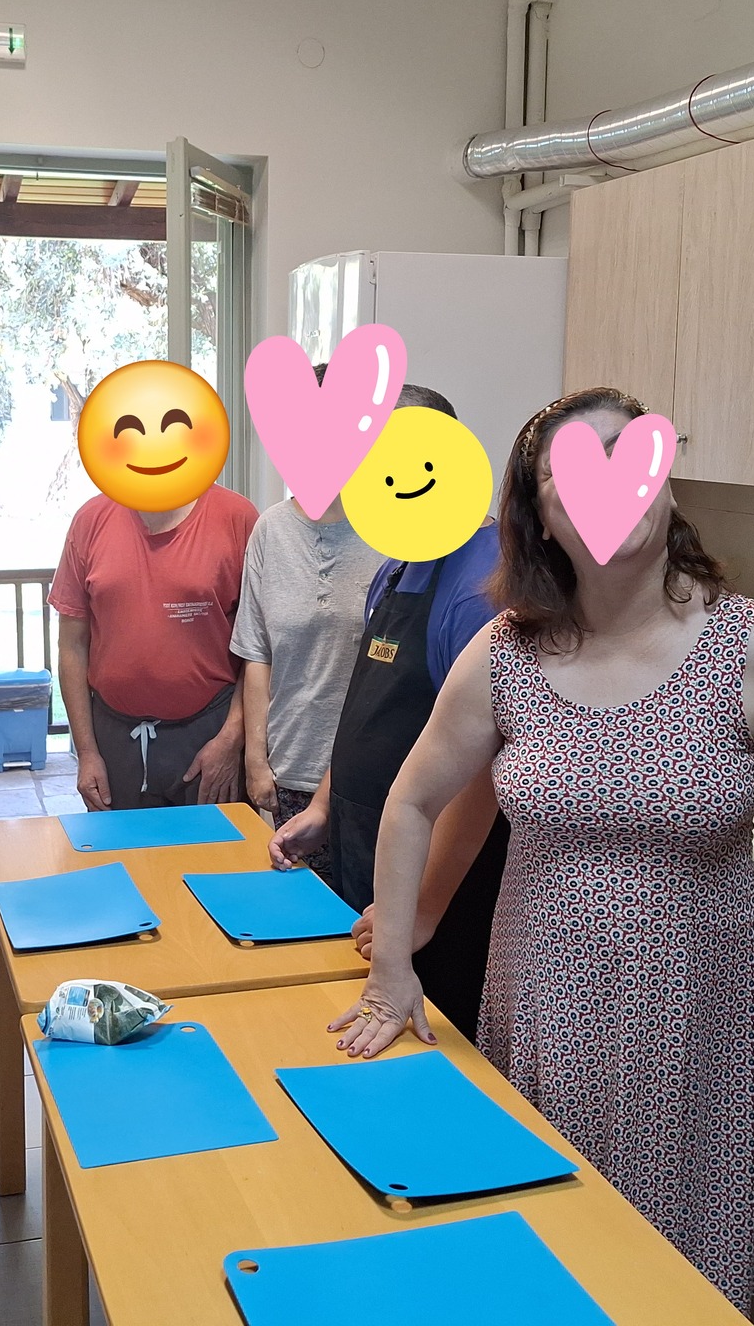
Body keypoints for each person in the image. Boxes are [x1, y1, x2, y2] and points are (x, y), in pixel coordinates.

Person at [335, 388, 754, 1322]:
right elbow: (412, 801)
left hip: (708, 1028)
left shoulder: (750, 644)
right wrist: (393, 969)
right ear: (539, 520)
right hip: (546, 1015)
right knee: (552, 1269)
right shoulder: (506, 654)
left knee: (710, 1286)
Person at [268, 383, 508, 1039]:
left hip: (436, 882)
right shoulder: (399, 566)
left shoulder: (482, 586)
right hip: (367, 845)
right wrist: (324, 805)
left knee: (426, 1054)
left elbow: (484, 773)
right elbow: (364, 708)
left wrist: (420, 911)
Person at [51, 458, 259, 810]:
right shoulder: (91, 519)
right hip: (114, 737)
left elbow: (259, 648)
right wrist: (86, 752)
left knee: (217, 846)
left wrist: (231, 739)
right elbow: (72, 645)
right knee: (121, 846)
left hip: (211, 733)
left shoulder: (237, 517)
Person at [231, 366, 384, 842]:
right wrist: (256, 761)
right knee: (296, 889)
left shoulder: (392, 531)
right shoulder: (270, 530)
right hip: (290, 769)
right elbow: (257, 654)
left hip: (373, 773)